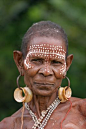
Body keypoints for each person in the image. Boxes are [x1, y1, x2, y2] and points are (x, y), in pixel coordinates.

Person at [0, 21, 86, 129]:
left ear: (67, 65)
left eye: (56, 62)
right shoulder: (8, 125)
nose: (46, 72)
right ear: (20, 62)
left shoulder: (82, 112)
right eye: (36, 60)